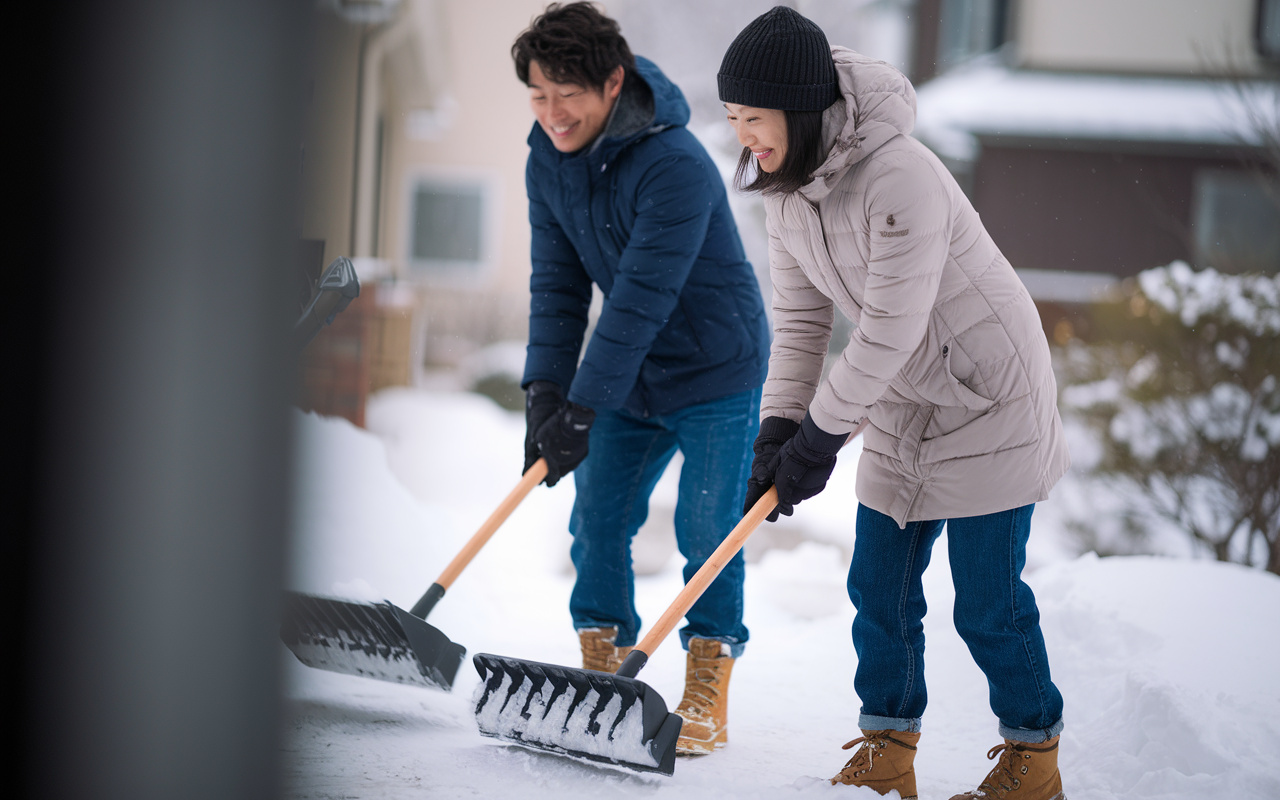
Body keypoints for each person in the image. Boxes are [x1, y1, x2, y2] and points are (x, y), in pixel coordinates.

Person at [717, 7, 1071, 799]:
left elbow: (888, 327)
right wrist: (776, 433)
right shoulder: (783, 191)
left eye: (756, 118)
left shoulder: (900, 174)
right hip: (904, 397)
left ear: (801, 110)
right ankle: (887, 750)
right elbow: (804, 324)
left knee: (987, 601)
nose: (745, 135)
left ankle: (1033, 759)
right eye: (734, 118)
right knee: (877, 587)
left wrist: (819, 439)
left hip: (990, 397)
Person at [510, 2, 771, 756]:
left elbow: (638, 300)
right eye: (538, 96)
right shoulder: (546, 162)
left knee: (706, 529)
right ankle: (603, 666)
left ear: (614, 82)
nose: (553, 115)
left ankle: (707, 677)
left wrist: (583, 405)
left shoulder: (676, 164)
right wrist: (545, 395)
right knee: (597, 520)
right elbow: (557, 288)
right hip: (630, 374)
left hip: (716, 369)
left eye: (568, 95)